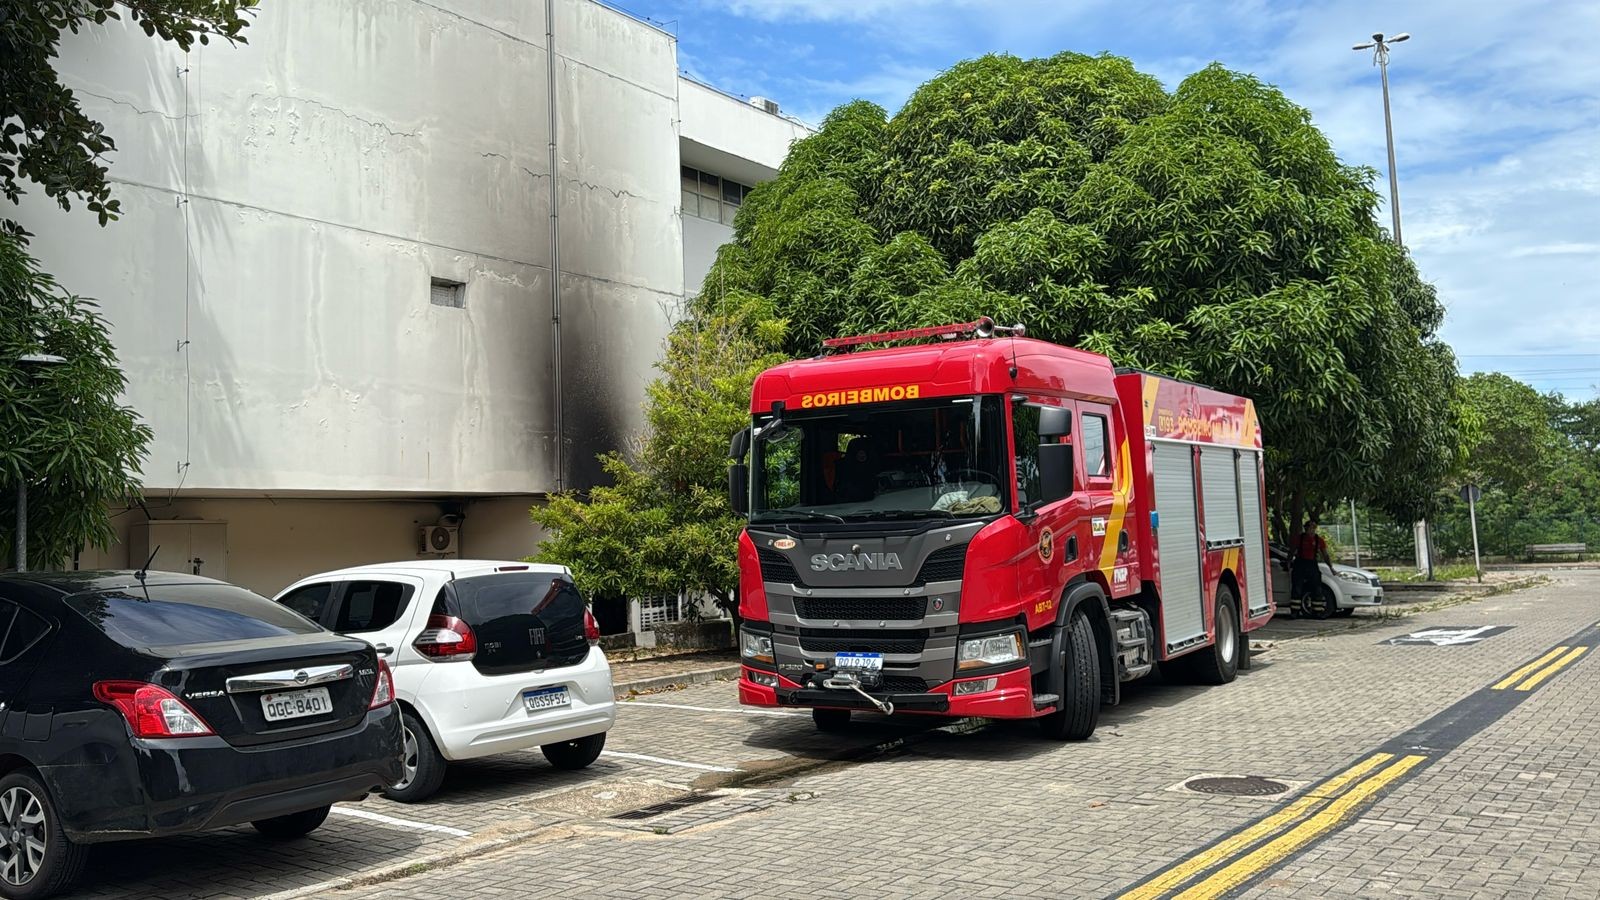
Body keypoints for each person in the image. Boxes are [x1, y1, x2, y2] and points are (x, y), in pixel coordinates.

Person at [1292, 518, 1336, 606]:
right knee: (1297, 587)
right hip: (1300, 565)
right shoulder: (1299, 539)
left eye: (1313, 528)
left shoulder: (1319, 540)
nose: (1311, 530)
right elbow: (1292, 551)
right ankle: (1295, 611)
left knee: (1317, 588)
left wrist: (1331, 567)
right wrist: (1289, 561)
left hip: (1312, 564)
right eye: (1309, 528)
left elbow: (1325, 555)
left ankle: (1318, 610)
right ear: (1305, 528)